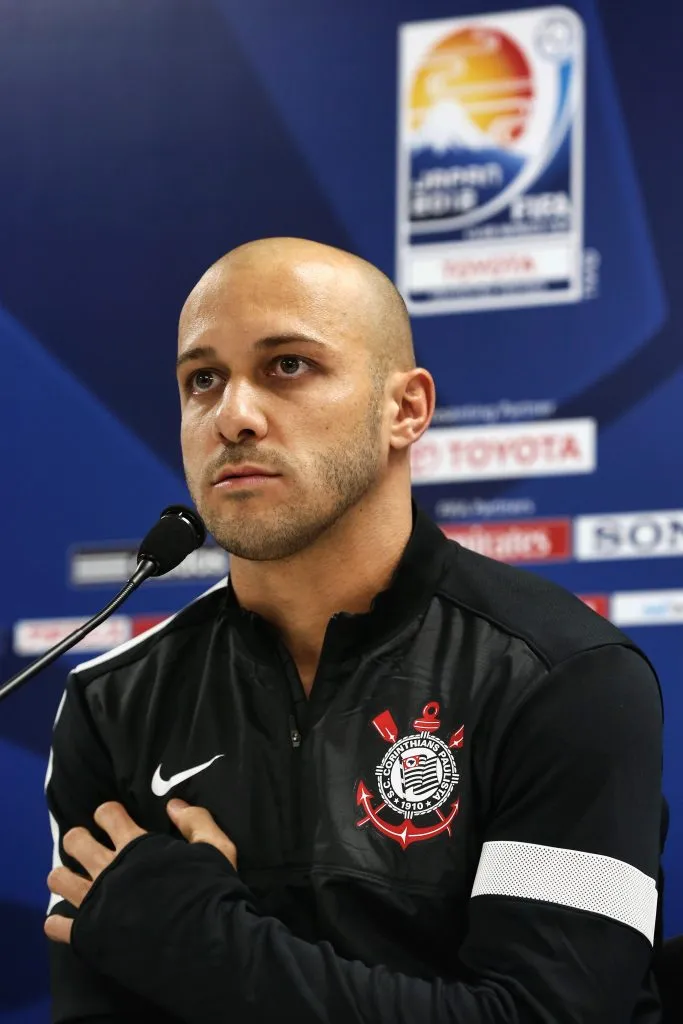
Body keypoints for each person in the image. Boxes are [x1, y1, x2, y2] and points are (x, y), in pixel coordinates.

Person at [45, 237, 666, 1024]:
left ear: (403, 408)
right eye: (202, 380)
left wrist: (202, 944)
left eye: (288, 366)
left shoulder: (563, 675)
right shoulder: (116, 704)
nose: (233, 415)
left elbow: (550, 1018)